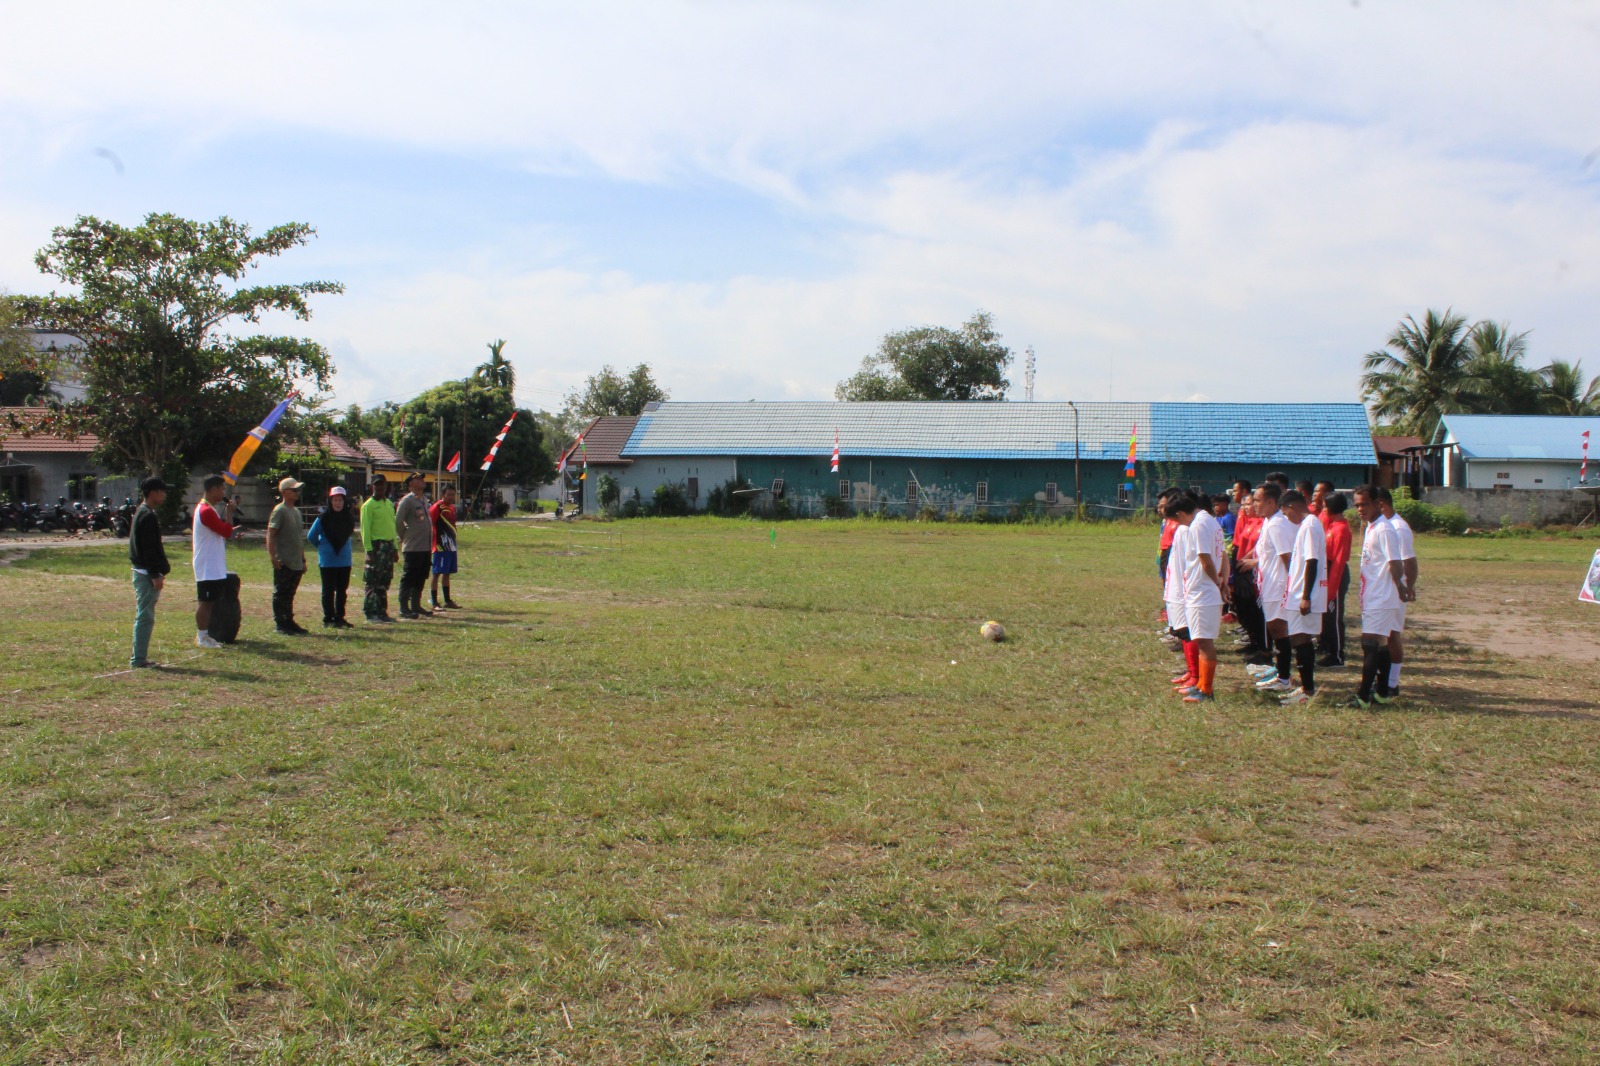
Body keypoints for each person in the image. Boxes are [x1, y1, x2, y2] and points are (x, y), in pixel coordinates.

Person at [1351, 486, 1409, 708]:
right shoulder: (1371, 527)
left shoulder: (1384, 529)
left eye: (1364, 504)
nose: (1360, 509)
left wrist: (1401, 588)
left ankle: (1363, 696)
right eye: (1357, 505)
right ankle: (1382, 692)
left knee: (1370, 643)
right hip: (1373, 594)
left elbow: (1395, 562)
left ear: (1378, 503)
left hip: (1382, 595)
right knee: (1380, 643)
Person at [1170, 492, 1227, 703]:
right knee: (1202, 640)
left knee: (1204, 641)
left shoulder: (1198, 525)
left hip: (1203, 591)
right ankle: (1202, 685)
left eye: (1178, 520)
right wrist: (1223, 582)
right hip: (1204, 590)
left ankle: (1206, 690)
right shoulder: (1210, 522)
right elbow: (1224, 556)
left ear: (1181, 513)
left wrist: (1217, 583)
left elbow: (1205, 560)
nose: (1180, 525)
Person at [1276, 489, 1327, 705]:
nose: (1288, 519)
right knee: (1300, 638)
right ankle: (1306, 688)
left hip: (1304, 594)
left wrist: (1305, 596)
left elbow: (1312, 561)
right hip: (1298, 592)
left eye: (1286, 514)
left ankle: (1307, 690)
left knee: (1300, 639)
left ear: (1292, 507)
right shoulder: (1307, 526)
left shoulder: (1310, 526)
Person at [1246, 482, 1297, 694]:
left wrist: (1291, 586)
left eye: (1257, 500)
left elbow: (1287, 557)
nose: (1254, 504)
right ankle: (1280, 671)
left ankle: (1284, 678)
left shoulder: (1277, 524)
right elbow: (1269, 555)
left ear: (1271, 501)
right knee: (1275, 629)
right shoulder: (1269, 522)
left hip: (1278, 586)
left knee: (1279, 629)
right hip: (1269, 584)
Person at [1375, 486, 1418, 700]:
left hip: (1394, 589)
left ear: (1381, 504)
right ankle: (1383, 680)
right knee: (1382, 634)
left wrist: (1408, 587)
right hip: (1381, 589)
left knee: (1391, 635)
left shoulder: (1398, 527)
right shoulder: (1380, 525)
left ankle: (1392, 683)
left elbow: (1409, 560)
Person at [192, 474, 239, 649]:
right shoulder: (205, 510)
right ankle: (202, 636)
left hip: (213, 563)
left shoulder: (209, 509)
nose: (223, 492)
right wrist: (229, 512)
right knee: (206, 602)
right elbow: (225, 531)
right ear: (212, 490)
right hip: (207, 565)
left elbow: (222, 533)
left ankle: (206, 634)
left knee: (210, 602)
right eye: (221, 489)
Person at [128, 475, 170, 668]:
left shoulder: (142, 512)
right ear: (153, 493)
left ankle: (140, 657)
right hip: (146, 574)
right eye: (162, 491)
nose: (165, 495)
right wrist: (155, 574)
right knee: (145, 616)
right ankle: (138, 659)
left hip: (143, 572)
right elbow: (149, 548)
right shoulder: (148, 516)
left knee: (145, 614)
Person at [306, 486, 356, 628]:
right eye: (335, 500)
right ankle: (328, 618)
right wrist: (323, 548)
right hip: (328, 561)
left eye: (340, 500)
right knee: (328, 591)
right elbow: (311, 536)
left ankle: (339, 618)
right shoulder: (323, 518)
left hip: (344, 560)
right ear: (330, 501)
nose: (338, 503)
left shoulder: (349, 518)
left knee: (342, 591)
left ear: (344, 501)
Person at [266, 477, 309, 635]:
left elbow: (299, 538)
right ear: (284, 492)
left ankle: (289, 621)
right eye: (294, 490)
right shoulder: (280, 510)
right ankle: (281, 623)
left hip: (295, 560)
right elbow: (271, 534)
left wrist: (303, 559)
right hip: (284, 561)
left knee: (290, 593)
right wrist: (273, 556)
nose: (297, 492)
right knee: (281, 593)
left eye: (298, 489)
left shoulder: (296, 512)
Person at [394, 472, 434, 619]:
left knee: (421, 576)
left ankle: (416, 605)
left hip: (425, 546)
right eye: (418, 479)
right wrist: (404, 536)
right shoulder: (407, 501)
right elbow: (398, 522)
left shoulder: (424, 500)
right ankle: (404, 607)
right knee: (409, 577)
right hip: (413, 547)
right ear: (410, 483)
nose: (422, 481)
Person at [1319, 493, 1352, 668]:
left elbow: (1339, 561)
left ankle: (1338, 655)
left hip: (1336, 574)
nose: (1323, 510)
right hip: (1327, 571)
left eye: (1325, 506)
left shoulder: (1341, 529)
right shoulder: (1331, 525)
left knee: (1335, 617)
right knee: (1327, 616)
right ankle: (1327, 648)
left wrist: (1331, 591)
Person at [361, 480, 398, 623]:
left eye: (383, 485)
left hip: (388, 546)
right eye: (377, 485)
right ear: (372, 487)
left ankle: (382, 611)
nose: (380, 488)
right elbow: (365, 530)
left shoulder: (388, 504)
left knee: (384, 580)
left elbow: (392, 527)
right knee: (372, 580)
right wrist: (369, 551)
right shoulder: (368, 506)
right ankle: (370, 612)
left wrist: (394, 548)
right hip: (376, 546)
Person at [429, 484, 461, 610]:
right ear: (443, 495)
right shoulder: (437, 507)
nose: (451, 497)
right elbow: (430, 523)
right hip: (440, 546)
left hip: (451, 546)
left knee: (447, 573)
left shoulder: (452, 507)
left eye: (453, 494)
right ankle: (434, 601)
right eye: (448, 494)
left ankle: (447, 600)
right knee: (437, 573)